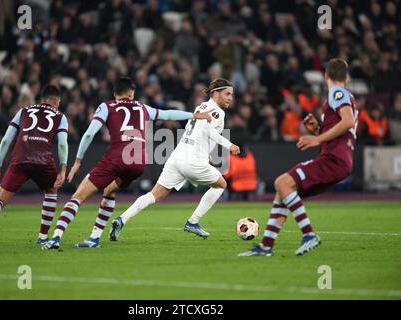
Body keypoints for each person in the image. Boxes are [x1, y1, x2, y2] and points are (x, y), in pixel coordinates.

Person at [42, 77, 212, 249]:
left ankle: (55, 237)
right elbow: (167, 113)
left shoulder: (107, 106)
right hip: (138, 163)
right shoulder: (142, 107)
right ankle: (94, 237)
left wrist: (78, 161)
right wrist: (194, 115)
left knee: (78, 196)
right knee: (109, 191)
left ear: (115, 93)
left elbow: (88, 134)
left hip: (116, 158)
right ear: (132, 94)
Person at [239, 58, 358, 257]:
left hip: (334, 159)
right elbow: (343, 127)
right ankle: (266, 246)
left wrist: (317, 138)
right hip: (340, 159)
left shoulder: (337, 93)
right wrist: (319, 129)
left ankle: (309, 234)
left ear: (326, 76)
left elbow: (347, 122)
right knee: (283, 192)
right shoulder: (345, 96)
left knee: (282, 182)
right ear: (346, 77)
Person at [109, 78, 240, 241]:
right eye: (227, 94)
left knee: (155, 194)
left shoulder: (201, 107)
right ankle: (193, 222)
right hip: (192, 160)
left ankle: (122, 219)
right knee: (221, 185)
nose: (230, 98)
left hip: (178, 156)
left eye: (231, 95)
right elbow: (209, 131)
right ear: (215, 94)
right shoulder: (217, 112)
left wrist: (205, 151)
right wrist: (229, 145)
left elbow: (193, 130)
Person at [0, 85, 68, 245]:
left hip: (20, 158)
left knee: (1, 198)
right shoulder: (60, 116)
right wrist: (63, 168)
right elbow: (62, 144)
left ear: (42, 99)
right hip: (43, 160)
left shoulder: (23, 111)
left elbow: (7, 139)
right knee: (51, 191)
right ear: (57, 101)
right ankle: (43, 237)